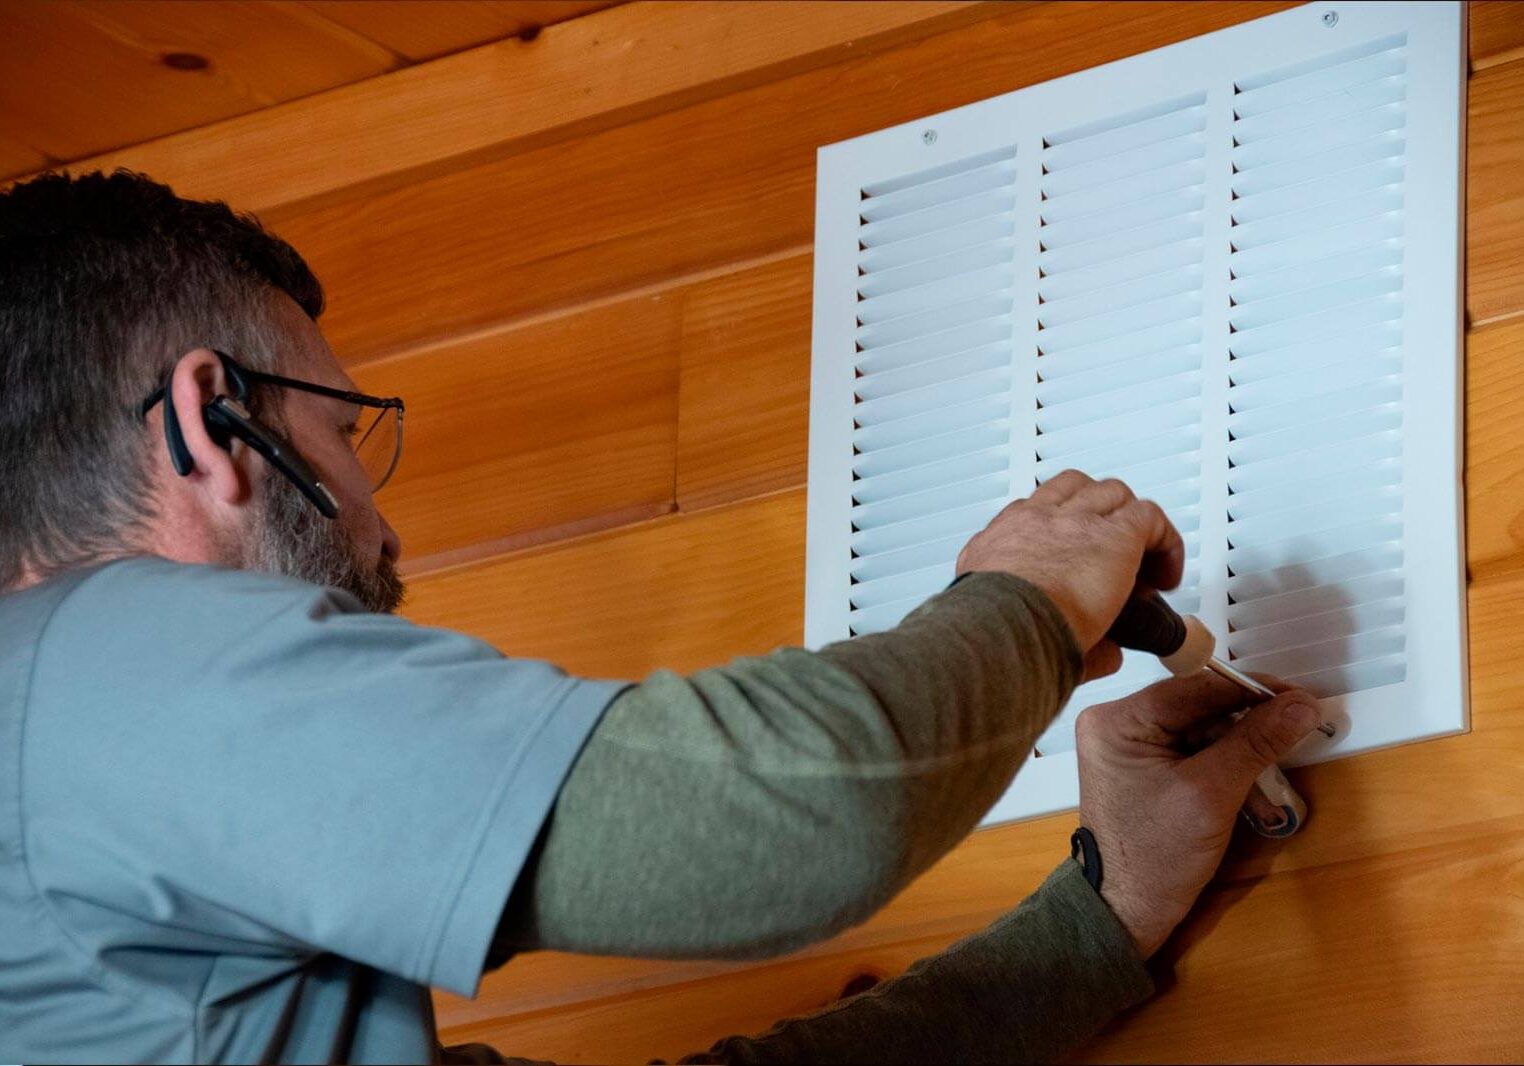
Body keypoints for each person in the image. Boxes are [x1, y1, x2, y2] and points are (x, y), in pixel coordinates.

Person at [0, 170, 1324, 1065]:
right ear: (209, 422)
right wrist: (1027, 597)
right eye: (345, 434)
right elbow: (790, 819)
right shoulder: (96, 675)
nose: (381, 528)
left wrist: (1107, 909)